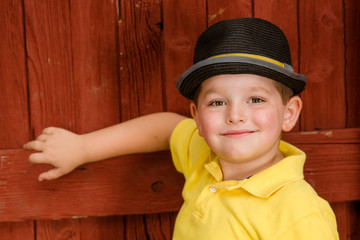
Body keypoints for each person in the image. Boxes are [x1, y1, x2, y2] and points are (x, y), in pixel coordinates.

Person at [24, 17, 339, 239]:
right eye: (217, 103)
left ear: (289, 112)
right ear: (198, 118)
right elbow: (166, 128)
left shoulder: (301, 215)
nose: (235, 115)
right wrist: (84, 148)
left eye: (255, 99)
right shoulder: (204, 157)